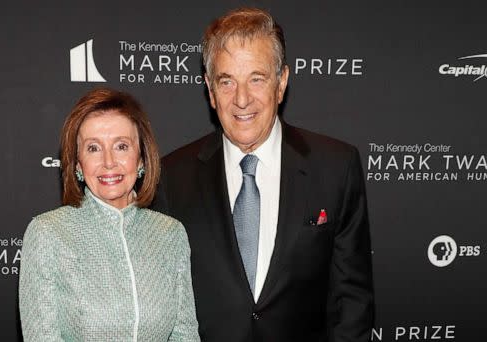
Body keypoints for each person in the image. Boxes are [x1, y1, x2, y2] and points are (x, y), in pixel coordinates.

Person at [153, 7, 374, 341]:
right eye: (227, 82)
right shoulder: (171, 176)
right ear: (210, 91)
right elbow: (162, 304)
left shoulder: (335, 167)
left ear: (281, 82)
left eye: (257, 79)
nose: (242, 99)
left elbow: (352, 303)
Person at [19, 88, 200, 342]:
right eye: (93, 148)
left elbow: (185, 334)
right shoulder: (48, 233)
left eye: (121, 146)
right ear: (78, 164)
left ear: (141, 159)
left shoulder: (170, 234)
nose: (108, 161)